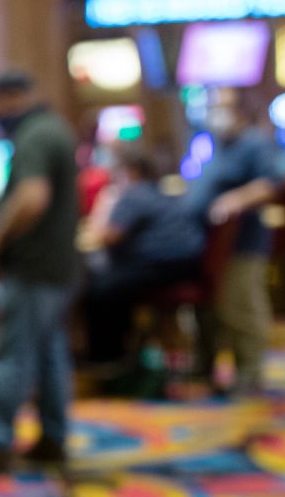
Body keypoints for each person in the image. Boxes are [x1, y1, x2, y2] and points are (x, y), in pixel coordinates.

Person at [0, 71, 81, 473]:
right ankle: (53, 438)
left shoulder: (34, 134)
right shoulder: (55, 129)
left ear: (10, 98)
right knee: (50, 355)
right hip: (58, 264)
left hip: (34, 265)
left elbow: (33, 198)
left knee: (13, 354)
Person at [189, 91, 284, 394]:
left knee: (243, 307)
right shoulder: (219, 145)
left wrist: (236, 199)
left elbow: (271, 185)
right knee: (221, 310)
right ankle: (217, 370)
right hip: (213, 246)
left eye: (223, 108)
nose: (216, 113)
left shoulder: (253, 143)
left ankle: (251, 375)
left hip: (243, 243)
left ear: (240, 111)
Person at [80, 142, 205, 367]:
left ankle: (108, 359)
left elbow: (109, 236)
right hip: (187, 263)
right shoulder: (158, 190)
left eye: (116, 170)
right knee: (110, 282)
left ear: (132, 170)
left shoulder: (132, 194)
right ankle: (122, 354)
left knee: (98, 290)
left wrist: (106, 202)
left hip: (161, 264)